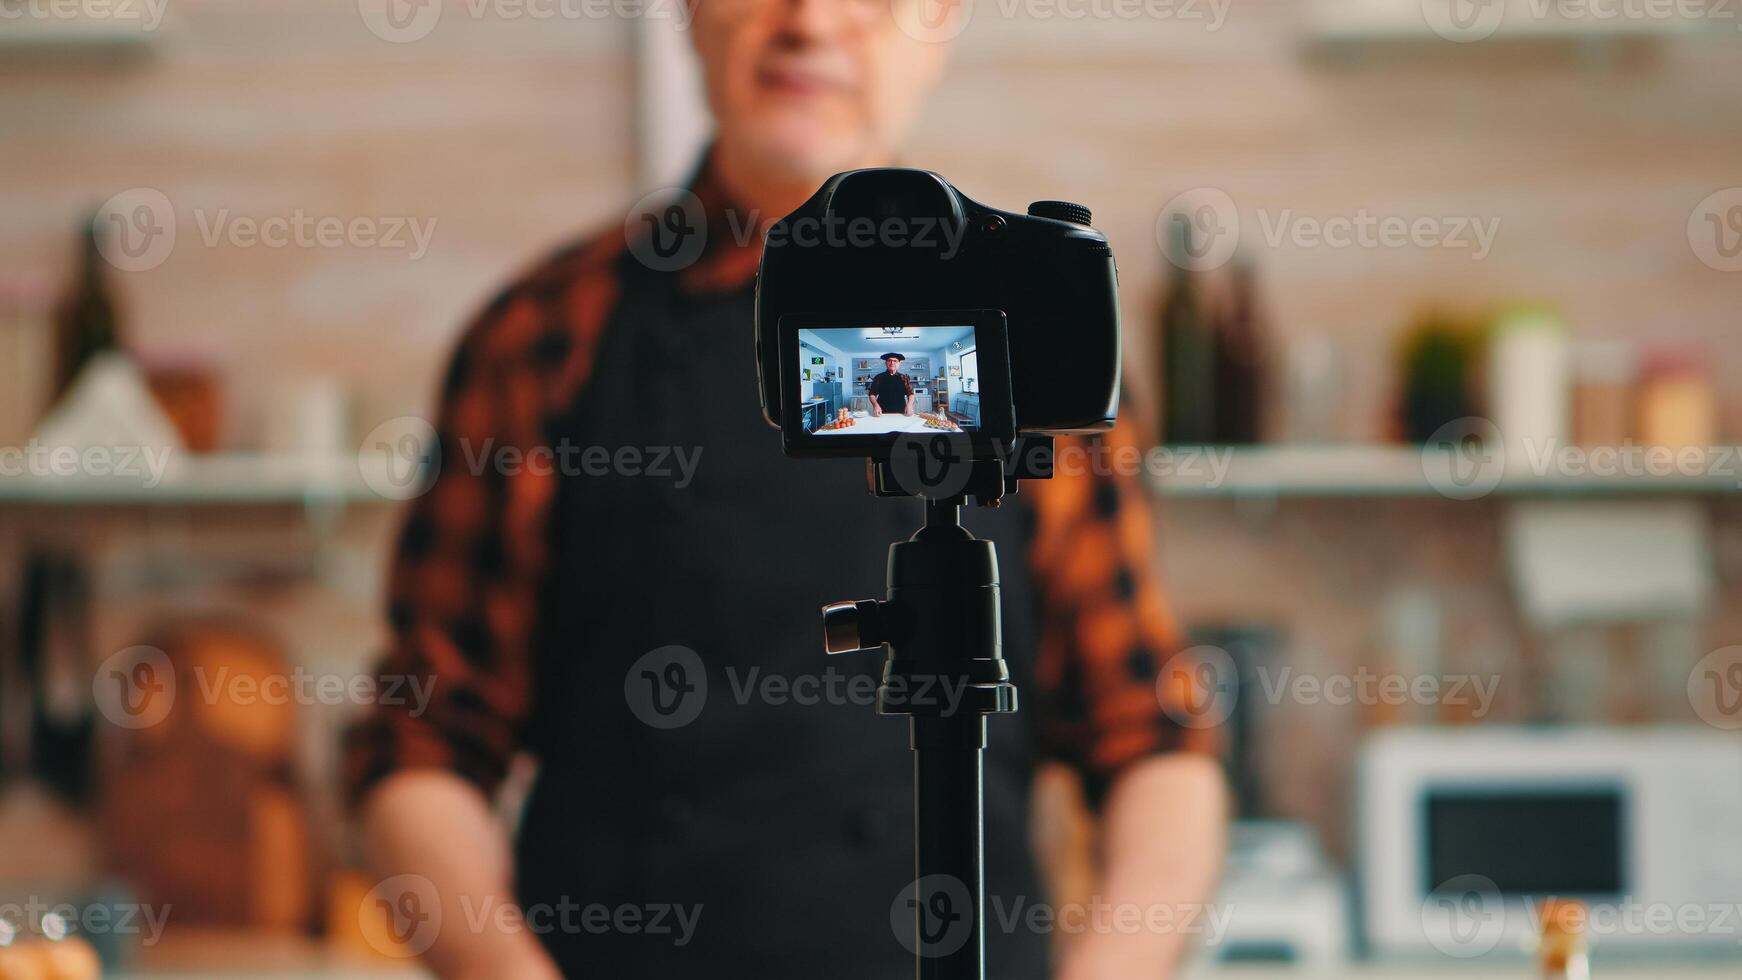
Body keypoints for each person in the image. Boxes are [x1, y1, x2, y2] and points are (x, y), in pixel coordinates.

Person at [344, 1, 1228, 977]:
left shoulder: (1032, 335)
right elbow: (420, 748)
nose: (809, 20)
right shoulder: (547, 337)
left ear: (938, 23)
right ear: (690, 15)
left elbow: (1149, 735)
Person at [867, 352, 914, 417]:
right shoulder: (879, 377)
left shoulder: (904, 378)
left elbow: (910, 394)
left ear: (899, 363)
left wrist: (909, 405)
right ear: (886, 363)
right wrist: (875, 405)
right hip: (881, 412)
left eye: (895, 361)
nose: (892, 363)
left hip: (901, 412)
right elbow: (872, 394)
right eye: (889, 360)